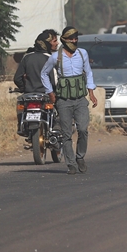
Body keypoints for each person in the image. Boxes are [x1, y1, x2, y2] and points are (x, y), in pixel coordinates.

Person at [40, 26, 99, 175]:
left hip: (80, 99)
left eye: (75, 38)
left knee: (83, 129)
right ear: (64, 40)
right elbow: (44, 74)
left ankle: (80, 157)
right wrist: (50, 93)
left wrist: (91, 93)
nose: (74, 41)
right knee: (66, 134)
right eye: (71, 38)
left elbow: (88, 73)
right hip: (63, 100)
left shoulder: (82, 53)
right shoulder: (56, 57)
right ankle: (71, 164)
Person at [13, 29, 58, 93]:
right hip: (47, 95)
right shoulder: (51, 59)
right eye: (54, 41)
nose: (57, 43)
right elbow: (55, 82)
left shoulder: (27, 57)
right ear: (46, 43)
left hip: (28, 95)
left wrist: (24, 88)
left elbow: (17, 79)